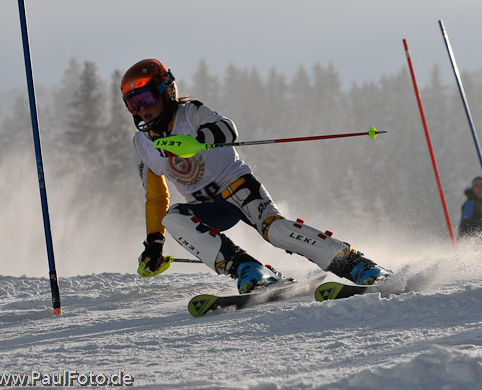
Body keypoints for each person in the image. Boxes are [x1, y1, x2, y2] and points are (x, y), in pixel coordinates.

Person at [122, 58, 391, 294]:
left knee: (275, 230)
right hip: (205, 207)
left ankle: (356, 264)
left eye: (146, 98)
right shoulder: (142, 144)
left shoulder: (190, 113)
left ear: (166, 91)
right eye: (132, 104)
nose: (141, 109)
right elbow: (156, 197)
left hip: (237, 188)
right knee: (174, 217)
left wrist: (197, 139)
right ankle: (248, 269)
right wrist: (154, 244)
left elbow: (227, 130)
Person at [458, 176, 482, 241]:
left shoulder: (481, 206)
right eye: (477, 187)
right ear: (473, 189)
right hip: (471, 246)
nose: (480, 189)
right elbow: (464, 225)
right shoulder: (470, 204)